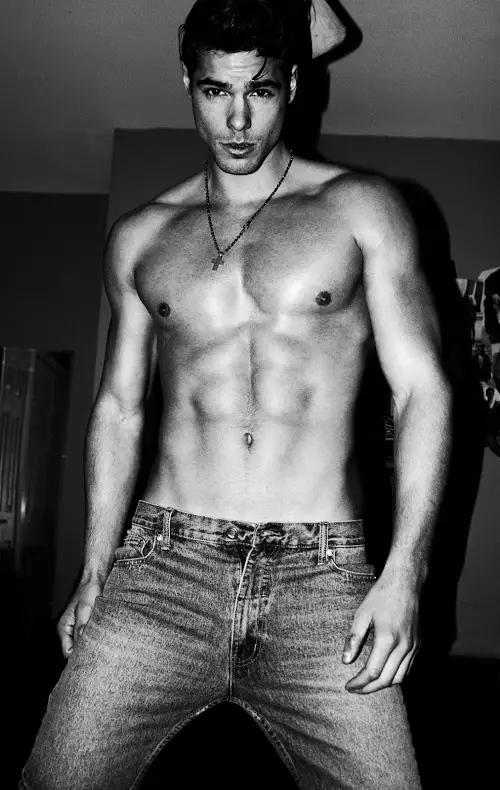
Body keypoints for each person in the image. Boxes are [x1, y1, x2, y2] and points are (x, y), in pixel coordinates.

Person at [20, 1, 452, 788]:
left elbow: (422, 388)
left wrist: (406, 574)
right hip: (161, 572)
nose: (240, 119)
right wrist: (94, 569)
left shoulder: (360, 208)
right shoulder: (143, 235)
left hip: (321, 578)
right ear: (188, 84)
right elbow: (119, 408)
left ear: (296, 86)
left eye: (262, 89)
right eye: (216, 91)